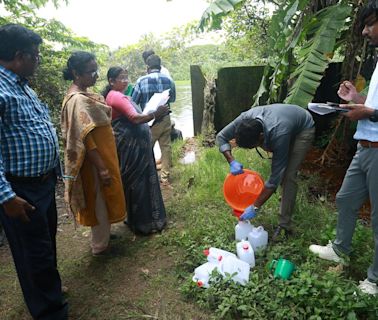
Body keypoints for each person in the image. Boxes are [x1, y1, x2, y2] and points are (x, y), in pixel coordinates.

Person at [309, 2, 378, 295]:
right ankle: (339, 249)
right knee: (346, 199)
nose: (364, 31)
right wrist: (357, 98)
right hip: (364, 146)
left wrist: (368, 112)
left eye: (369, 24)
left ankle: (374, 279)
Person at [0, 24, 68, 319]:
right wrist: (6, 196)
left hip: (42, 184)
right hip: (19, 190)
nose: (38, 61)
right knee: (34, 254)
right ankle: (50, 312)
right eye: (36, 56)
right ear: (19, 55)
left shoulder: (22, 85)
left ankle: (50, 292)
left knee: (45, 243)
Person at [216, 104, 315, 239]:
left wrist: (255, 206)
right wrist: (231, 160)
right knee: (281, 169)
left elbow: (274, 179)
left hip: (303, 128)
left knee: (287, 176)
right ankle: (285, 198)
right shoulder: (244, 120)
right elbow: (221, 137)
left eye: (254, 146)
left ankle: (284, 225)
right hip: (282, 121)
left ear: (261, 136)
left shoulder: (279, 133)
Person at [61, 52, 126, 255]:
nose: (96, 75)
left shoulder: (84, 95)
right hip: (94, 161)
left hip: (103, 156)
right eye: (92, 72)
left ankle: (103, 235)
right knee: (98, 197)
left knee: (103, 197)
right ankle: (100, 246)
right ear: (76, 73)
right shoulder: (77, 100)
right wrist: (101, 167)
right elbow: (85, 138)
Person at [103, 66, 168, 234]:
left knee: (134, 183)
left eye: (126, 77)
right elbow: (135, 117)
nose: (125, 81)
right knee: (139, 182)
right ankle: (144, 222)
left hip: (131, 147)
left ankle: (137, 219)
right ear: (111, 81)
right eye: (121, 78)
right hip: (133, 150)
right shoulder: (116, 96)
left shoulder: (115, 95)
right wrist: (155, 114)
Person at [132, 54, 176, 184]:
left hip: (149, 120)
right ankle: (165, 177)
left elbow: (134, 101)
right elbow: (172, 99)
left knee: (146, 148)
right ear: (160, 66)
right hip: (165, 118)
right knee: (166, 146)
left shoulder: (141, 81)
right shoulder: (169, 80)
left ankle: (149, 176)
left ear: (147, 67)